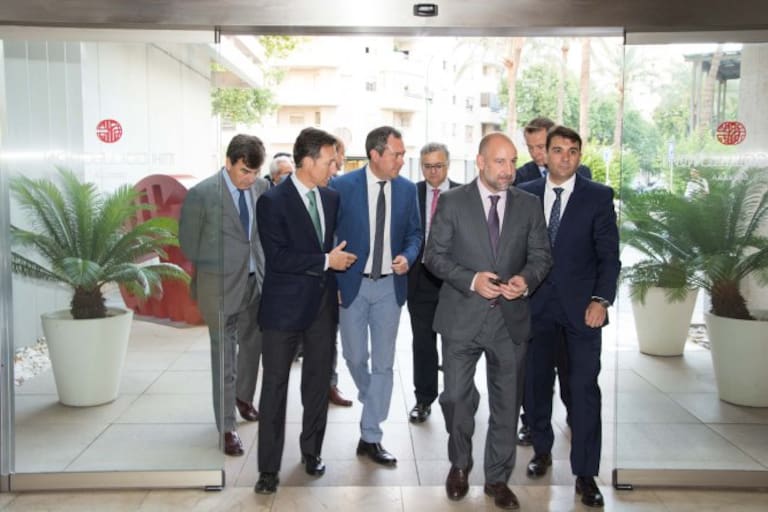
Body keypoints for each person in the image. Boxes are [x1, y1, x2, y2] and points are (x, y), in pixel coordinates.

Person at [425, 132, 552, 510]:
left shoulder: (529, 204)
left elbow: (541, 256)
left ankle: (497, 478)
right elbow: (434, 256)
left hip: (509, 321)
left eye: (512, 161)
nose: (508, 170)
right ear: (480, 162)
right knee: (456, 397)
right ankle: (460, 463)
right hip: (462, 317)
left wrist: (525, 280)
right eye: (500, 161)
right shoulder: (452, 201)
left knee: (507, 404)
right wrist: (472, 280)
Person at [518, 126, 620, 509]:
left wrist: (601, 300)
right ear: (545, 154)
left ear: (579, 155)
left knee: (583, 389)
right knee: (535, 385)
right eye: (558, 150)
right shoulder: (524, 194)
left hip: (583, 312)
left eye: (572, 151)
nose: (565, 157)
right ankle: (541, 450)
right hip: (535, 308)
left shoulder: (598, 196)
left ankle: (586, 474)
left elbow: (609, 256)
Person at [254, 127, 357, 495]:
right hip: (282, 310)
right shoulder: (272, 201)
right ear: (308, 161)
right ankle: (268, 469)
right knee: (275, 388)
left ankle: (311, 452)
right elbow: (278, 258)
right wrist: (326, 261)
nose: (335, 167)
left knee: (317, 383)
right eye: (330, 161)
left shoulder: (330, 198)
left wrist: (333, 271)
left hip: (321, 308)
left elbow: (329, 246)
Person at [331, 125, 422, 466]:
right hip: (351, 283)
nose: (401, 160)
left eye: (402, 154)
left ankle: (371, 435)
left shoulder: (407, 190)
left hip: (388, 287)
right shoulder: (342, 187)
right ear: (375, 154)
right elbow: (330, 236)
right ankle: (374, 398)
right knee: (354, 357)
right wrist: (334, 281)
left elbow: (415, 234)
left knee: (384, 363)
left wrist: (407, 257)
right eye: (396, 154)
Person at [178, 134, 268, 456]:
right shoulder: (202, 194)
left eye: (255, 172)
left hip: (255, 282)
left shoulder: (262, 188)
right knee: (224, 356)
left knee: (253, 345)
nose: (250, 179)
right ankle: (227, 425)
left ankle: (244, 397)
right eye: (244, 171)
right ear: (228, 162)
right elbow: (188, 244)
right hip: (219, 287)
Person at [514, 116, 588, 446]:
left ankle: (574, 415)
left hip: (572, 296)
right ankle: (532, 425)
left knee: (572, 368)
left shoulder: (583, 179)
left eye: (541, 146)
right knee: (534, 371)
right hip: (535, 293)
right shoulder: (522, 179)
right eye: (530, 147)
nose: (537, 154)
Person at [406, 142, 460, 424]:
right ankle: (423, 399)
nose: (433, 172)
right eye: (427, 166)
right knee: (423, 343)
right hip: (420, 278)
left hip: (455, 281)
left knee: (456, 343)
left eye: (438, 166)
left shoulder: (464, 194)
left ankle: (457, 396)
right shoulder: (410, 194)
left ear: (448, 164)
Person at [328, 136, 353, 407]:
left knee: (329, 334)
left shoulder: (341, 189)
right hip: (304, 274)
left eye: (340, 160)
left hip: (334, 273)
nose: (338, 166)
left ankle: (329, 384)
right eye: (335, 161)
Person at [513, 116, 592, 186]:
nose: (534, 153)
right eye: (530, 147)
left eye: (541, 147)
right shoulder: (520, 177)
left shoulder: (582, 172)